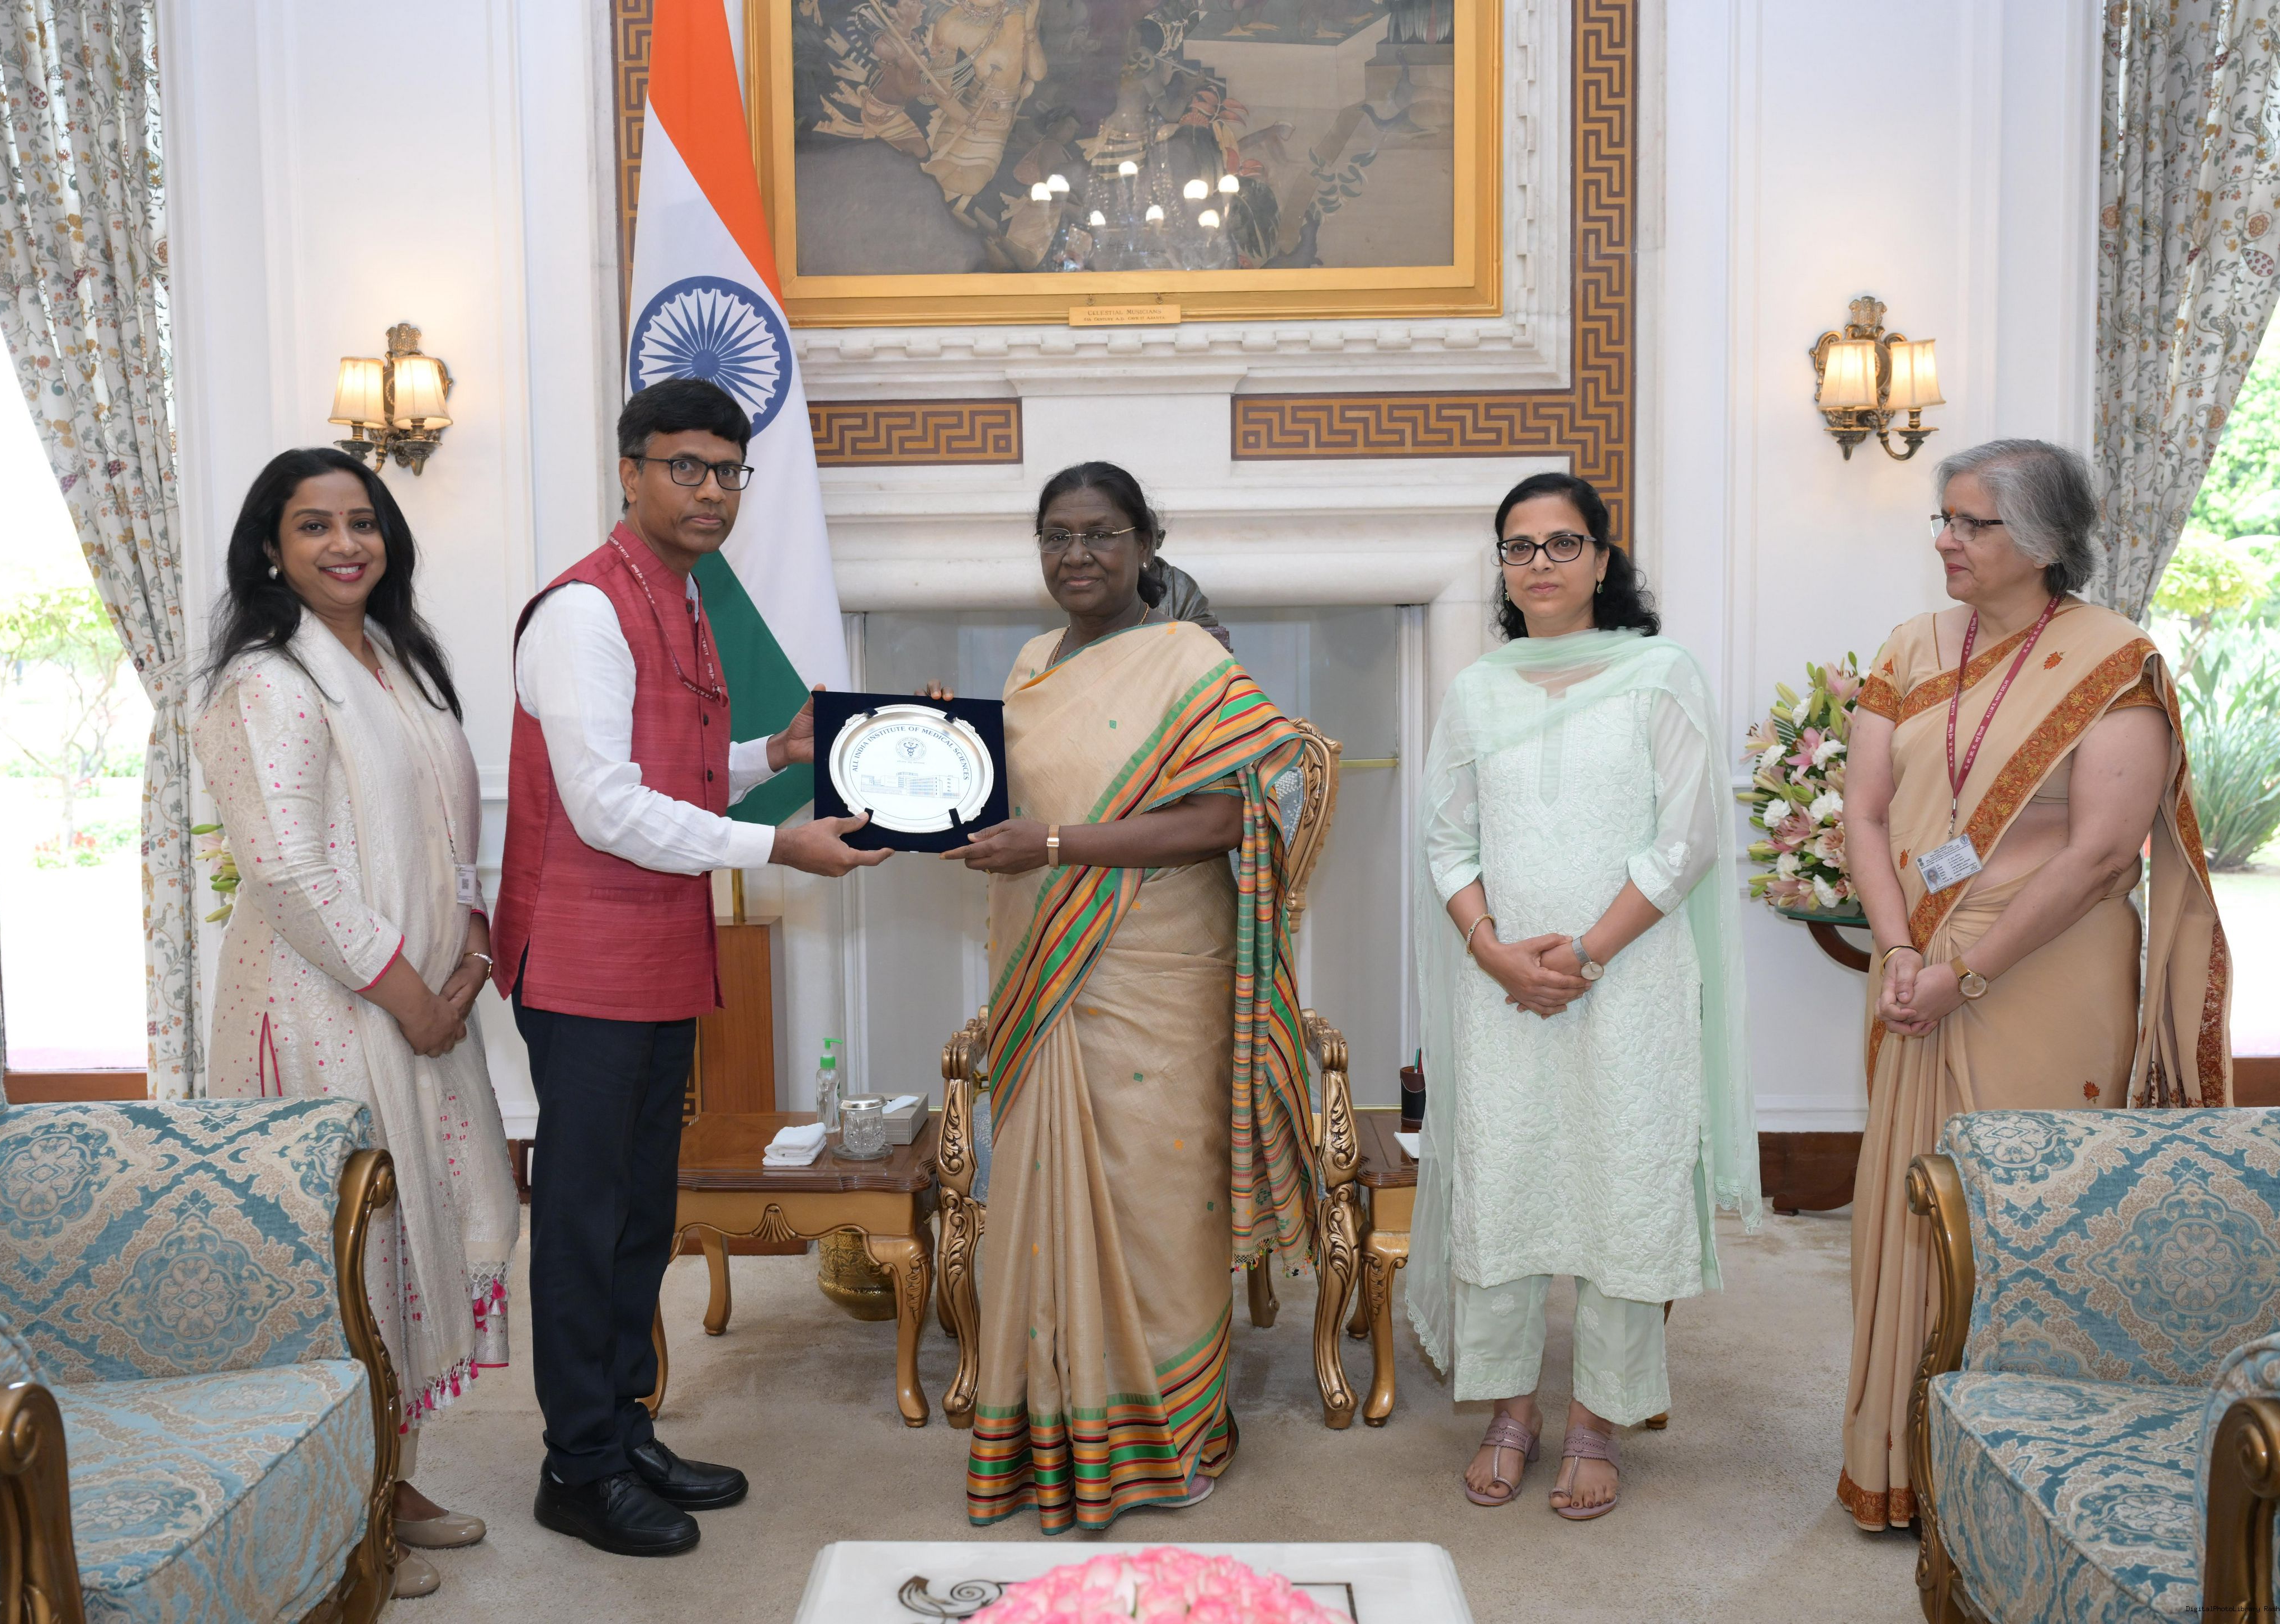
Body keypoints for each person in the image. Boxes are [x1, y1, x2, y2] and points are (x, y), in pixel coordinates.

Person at [494, 378, 888, 1559]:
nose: (710, 490)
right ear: (631, 472)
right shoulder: (583, 610)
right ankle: (577, 1466)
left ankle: (624, 1428)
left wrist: (778, 750)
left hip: (660, 951)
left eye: (726, 471)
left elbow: (675, 765)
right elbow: (607, 806)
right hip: (582, 961)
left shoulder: (682, 595)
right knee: (583, 1220)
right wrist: (779, 845)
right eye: (685, 467)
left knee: (639, 1215)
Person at [1837, 438, 2229, 1532]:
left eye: (1973, 523)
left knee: (2034, 1220)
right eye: (1943, 519)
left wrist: (1965, 971)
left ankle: (2027, 1485)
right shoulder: (1910, 646)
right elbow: (1863, 810)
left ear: (2046, 540)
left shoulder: (2112, 660)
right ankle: (1900, 1462)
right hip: (1914, 964)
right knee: (1908, 1207)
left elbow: (2101, 853)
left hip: (2044, 970)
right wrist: (1899, 950)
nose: (1946, 541)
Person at [935, 461, 1317, 1534]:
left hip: (1159, 967)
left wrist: (1057, 844)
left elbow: (1225, 819)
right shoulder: (1030, 664)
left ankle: (1169, 1435)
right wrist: (934, 749)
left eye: (1101, 533)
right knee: (1042, 1196)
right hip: (1044, 967)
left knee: (1157, 1204)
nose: (1077, 555)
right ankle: (1054, 1431)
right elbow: (1004, 798)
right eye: (1056, 535)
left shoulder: (1193, 661)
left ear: (1146, 544)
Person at [197, 448, 521, 1601]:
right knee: (350, 1258)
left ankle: (390, 1474)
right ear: (270, 548)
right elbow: (287, 871)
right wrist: (414, 996)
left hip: (421, 999)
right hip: (327, 1008)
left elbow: (448, 824)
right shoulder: (266, 681)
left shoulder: (394, 658)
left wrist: (470, 948)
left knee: (421, 1232)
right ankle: (342, 1518)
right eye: (314, 525)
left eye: (362, 521)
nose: (346, 544)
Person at [1406, 471, 1762, 1520]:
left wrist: (1587, 956)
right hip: (1503, 989)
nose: (1541, 564)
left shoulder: (1661, 673)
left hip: (1631, 981)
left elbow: (1688, 838)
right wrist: (1493, 951)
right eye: (1519, 547)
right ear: (1502, 568)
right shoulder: (1477, 690)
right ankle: (1510, 1412)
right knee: (1504, 1183)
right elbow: (1447, 839)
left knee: (1624, 1188)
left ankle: (1601, 1420)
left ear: (1604, 560)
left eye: (1564, 543)